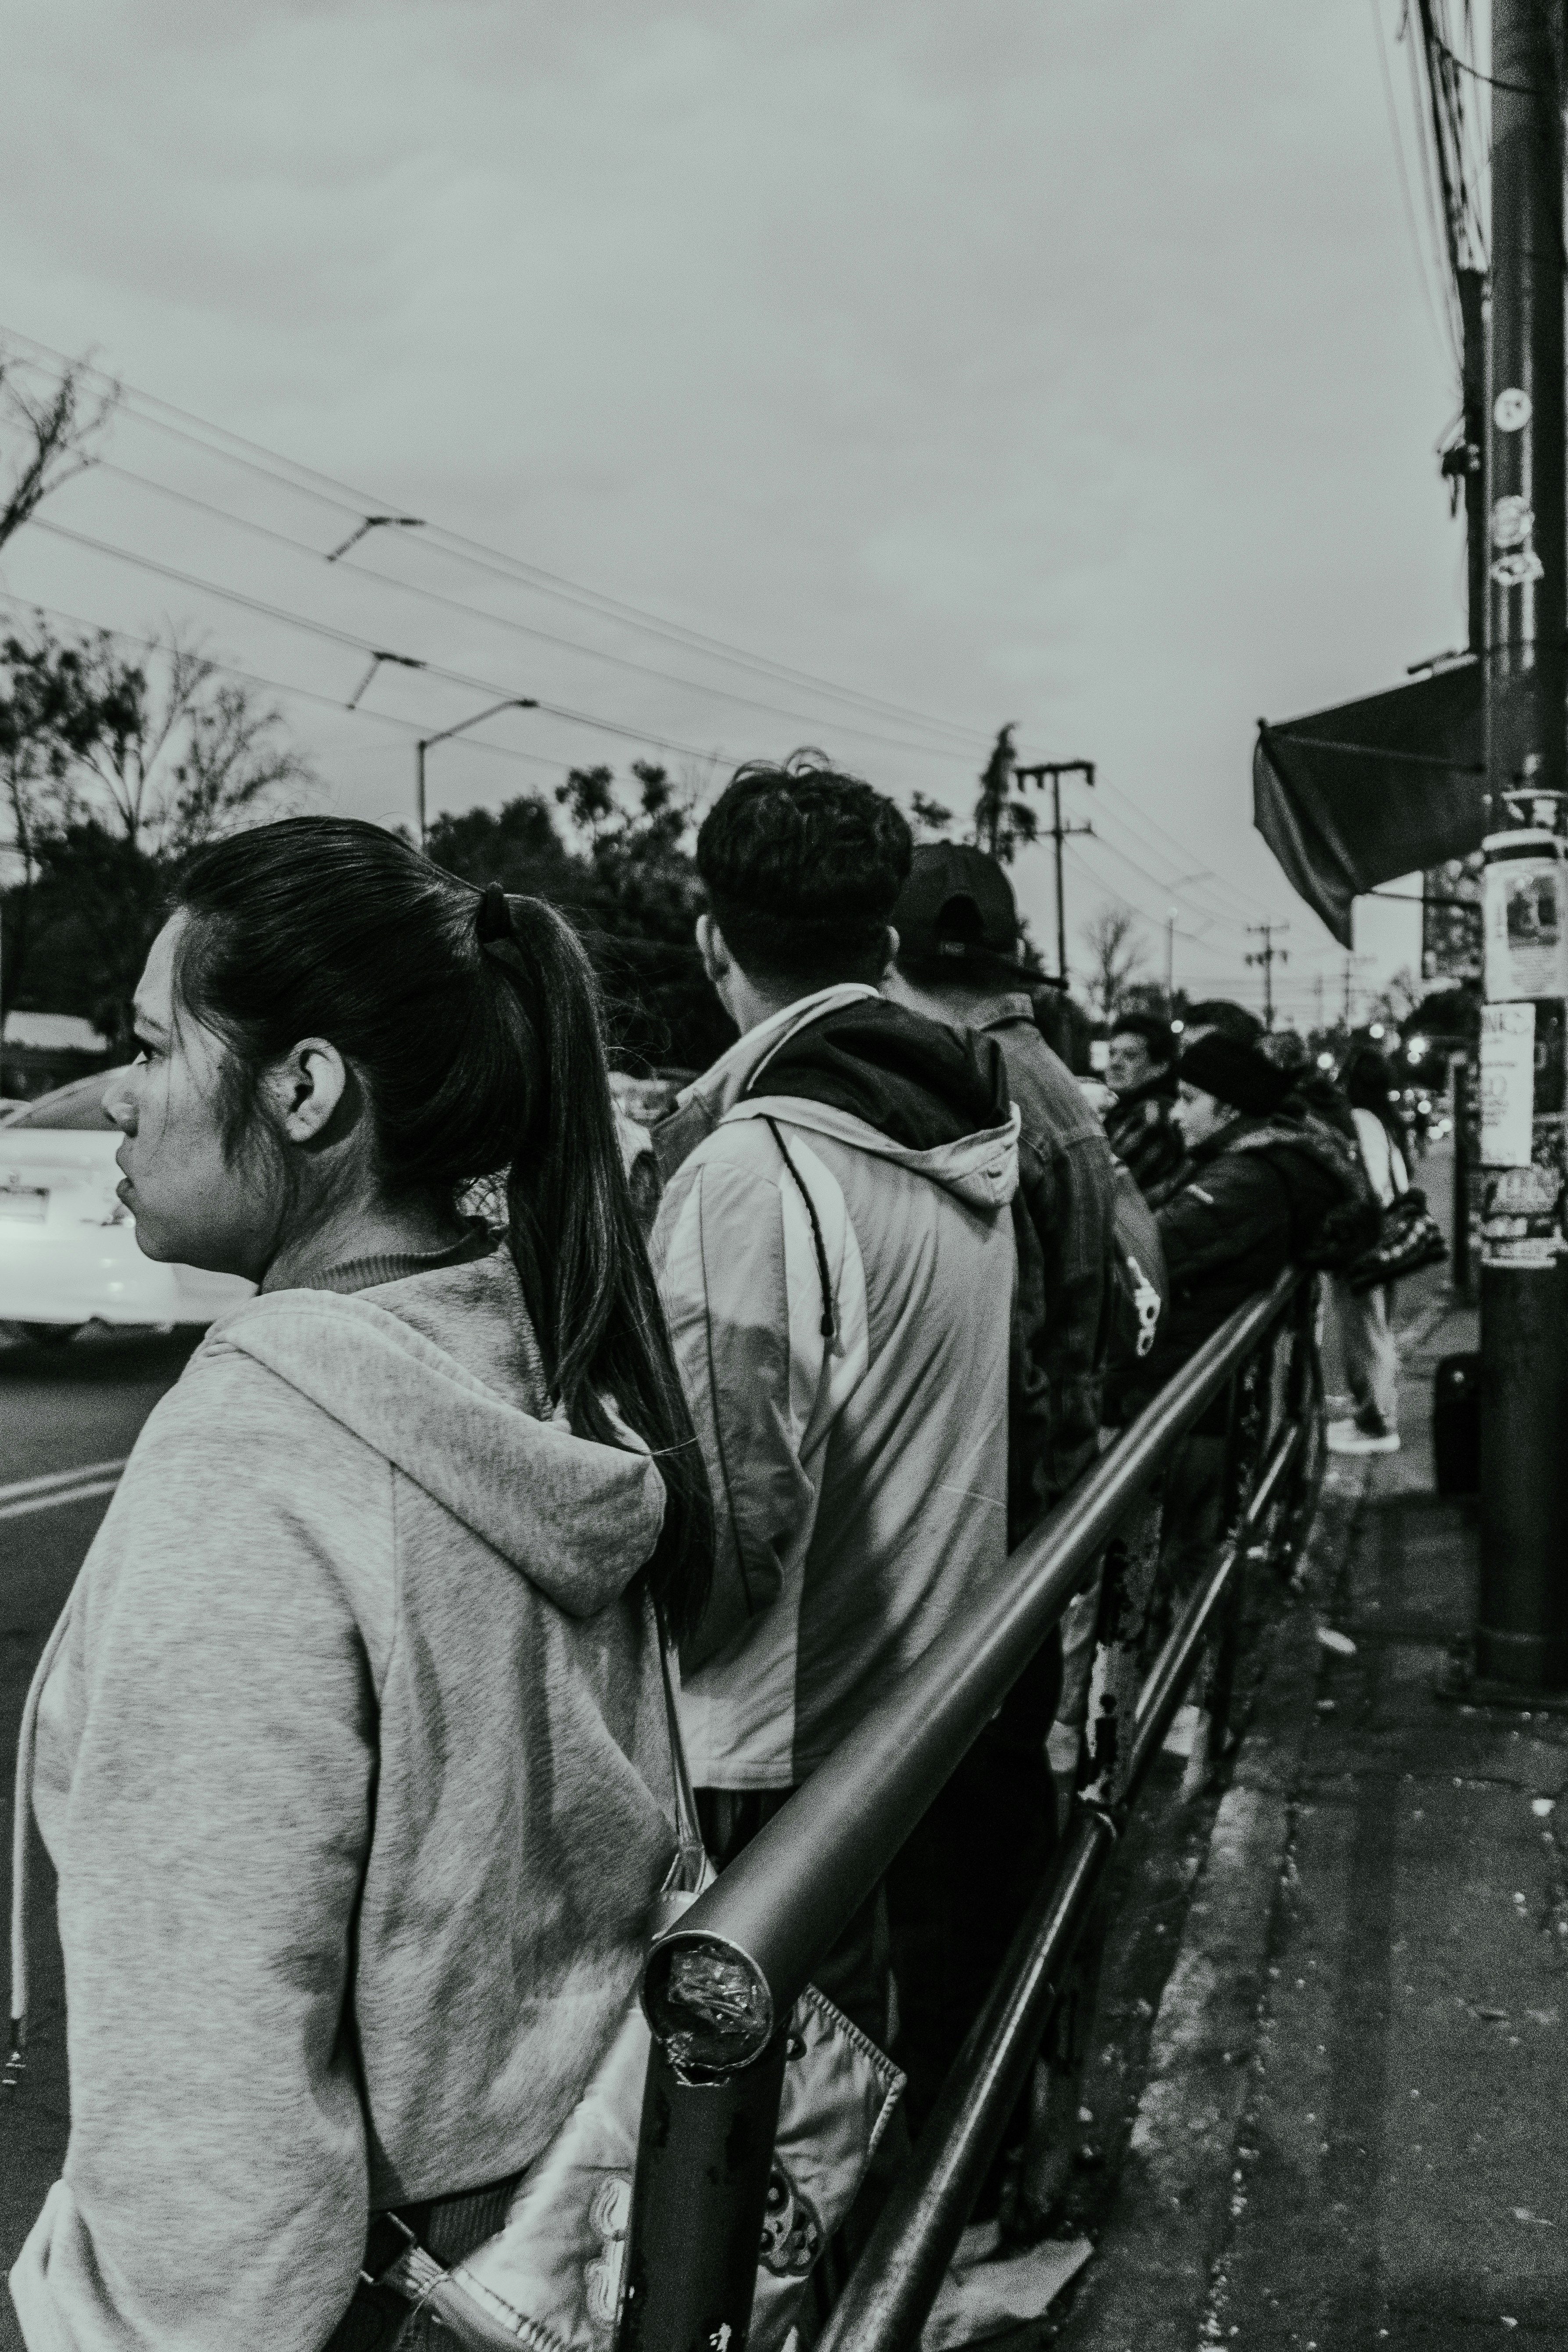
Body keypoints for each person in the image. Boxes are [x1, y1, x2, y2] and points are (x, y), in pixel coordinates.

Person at [8, 817, 711, 2352]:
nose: (118, 1098)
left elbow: (214, 2144)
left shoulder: (257, 1456)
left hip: (378, 2302)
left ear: (306, 1087)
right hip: (557, 2241)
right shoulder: (535, 1364)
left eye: (153, 1046)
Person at [649, 756, 1020, 2069]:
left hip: (775, 1756)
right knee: (876, 2077)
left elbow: (723, 1528)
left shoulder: (755, 1174)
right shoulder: (972, 1137)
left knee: (770, 2125)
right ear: (883, 945)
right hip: (920, 1707)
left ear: (713, 942)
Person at [881, 842, 1117, 2159]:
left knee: (950, 1873)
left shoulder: (966, 1099)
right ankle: (1000, 2129)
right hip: (1046, 1518)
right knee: (1006, 1826)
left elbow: (998, 1358)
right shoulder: (1060, 1089)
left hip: (983, 1534)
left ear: (897, 959)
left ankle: (956, 2166)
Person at [1150, 1030, 1364, 1598]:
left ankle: (1192, 1651)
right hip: (1197, 1388)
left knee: (1175, 1561)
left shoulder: (1245, 1177)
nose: (1175, 1115)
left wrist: (1116, 1192)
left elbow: (1151, 1251)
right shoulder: (1243, 1162)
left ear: (1228, 1109)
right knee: (1181, 1557)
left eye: (1188, 1099)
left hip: (1186, 1391)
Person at [1327, 1042, 1410, 1456]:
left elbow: (1373, 1183)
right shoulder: (1387, 1121)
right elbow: (1399, 1182)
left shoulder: (1360, 1120)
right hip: (1385, 1236)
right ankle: (1369, 1414)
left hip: (1366, 1240)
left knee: (1368, 1331)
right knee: (1375, 1328)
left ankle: (1378, 1423)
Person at [1102, 1013, 1184, 1200]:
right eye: (1112, 1053)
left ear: (1160, 1067)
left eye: (1130, 1056)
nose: (1115, 1063)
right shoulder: (1126, 1108)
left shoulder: (1152, 1116)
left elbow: (1098, 1183)